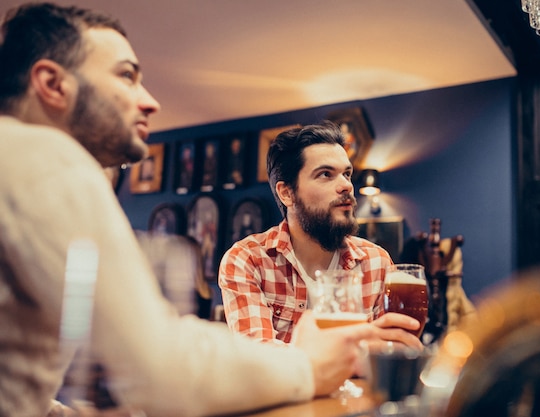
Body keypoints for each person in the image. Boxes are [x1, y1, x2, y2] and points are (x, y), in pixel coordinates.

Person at [0, 3, 383, 417]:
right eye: (127, 76)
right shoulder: (45, 156)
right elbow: (158, 370)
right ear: (52, 84)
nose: (150, 102)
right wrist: (308, 366)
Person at [219, 122, 423, 347]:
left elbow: (385, 356)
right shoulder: (248, 259)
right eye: (326, 174)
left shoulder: (376, 262)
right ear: (287, 193)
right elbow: (260, 361)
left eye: (347, 174)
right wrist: (356, 350)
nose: (346, 185)